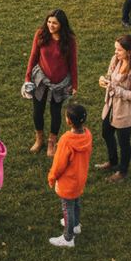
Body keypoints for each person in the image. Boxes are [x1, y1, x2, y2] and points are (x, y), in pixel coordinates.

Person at [25, 10, 78, 157]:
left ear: (62, 24)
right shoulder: (41, 34)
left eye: (54, 23)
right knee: (37, 111)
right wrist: (27, 78)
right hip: (40, 79)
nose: (51, 25)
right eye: (49, 22)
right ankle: (39, 139)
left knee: (55, 112)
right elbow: (33, 56)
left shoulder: (69, 40)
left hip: (60, 82)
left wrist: (74, 84)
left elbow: (73, 63)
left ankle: (51, 142)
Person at [96, 35, 131, 183]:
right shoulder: (115, 60)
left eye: (119, 50)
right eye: (115, 49)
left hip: (126, 112)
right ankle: (112, 161)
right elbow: (110, 76)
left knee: (123, 141)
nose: (116, 52)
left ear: (129, 52)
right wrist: (104, 80)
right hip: (111, 106)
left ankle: (122, 171)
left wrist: (115, 89)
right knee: (106, 132)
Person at [47, 104, 92, 248]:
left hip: (68, 181)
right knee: (76, 202)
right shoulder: (87, 135)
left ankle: (68, 238)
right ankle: (76, 224)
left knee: (67, 208)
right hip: (80, 177)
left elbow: (59, 163)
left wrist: (52, 177)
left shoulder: (66, 140)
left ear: (69, 121)